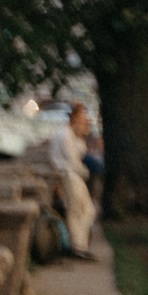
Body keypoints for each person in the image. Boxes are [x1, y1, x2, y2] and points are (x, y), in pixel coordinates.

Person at [48, 103, 99, 258]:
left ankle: (79, 244)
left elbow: (78, 154)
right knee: (77, 210)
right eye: (82, 117)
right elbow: (72, 161)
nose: (85, 121)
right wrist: (85, 172)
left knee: (87, 210)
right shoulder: (65, 135)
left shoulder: (71, 135)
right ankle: (77, 246)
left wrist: (81, 134)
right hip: (69, 175)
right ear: (75, 117)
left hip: (73, 175)